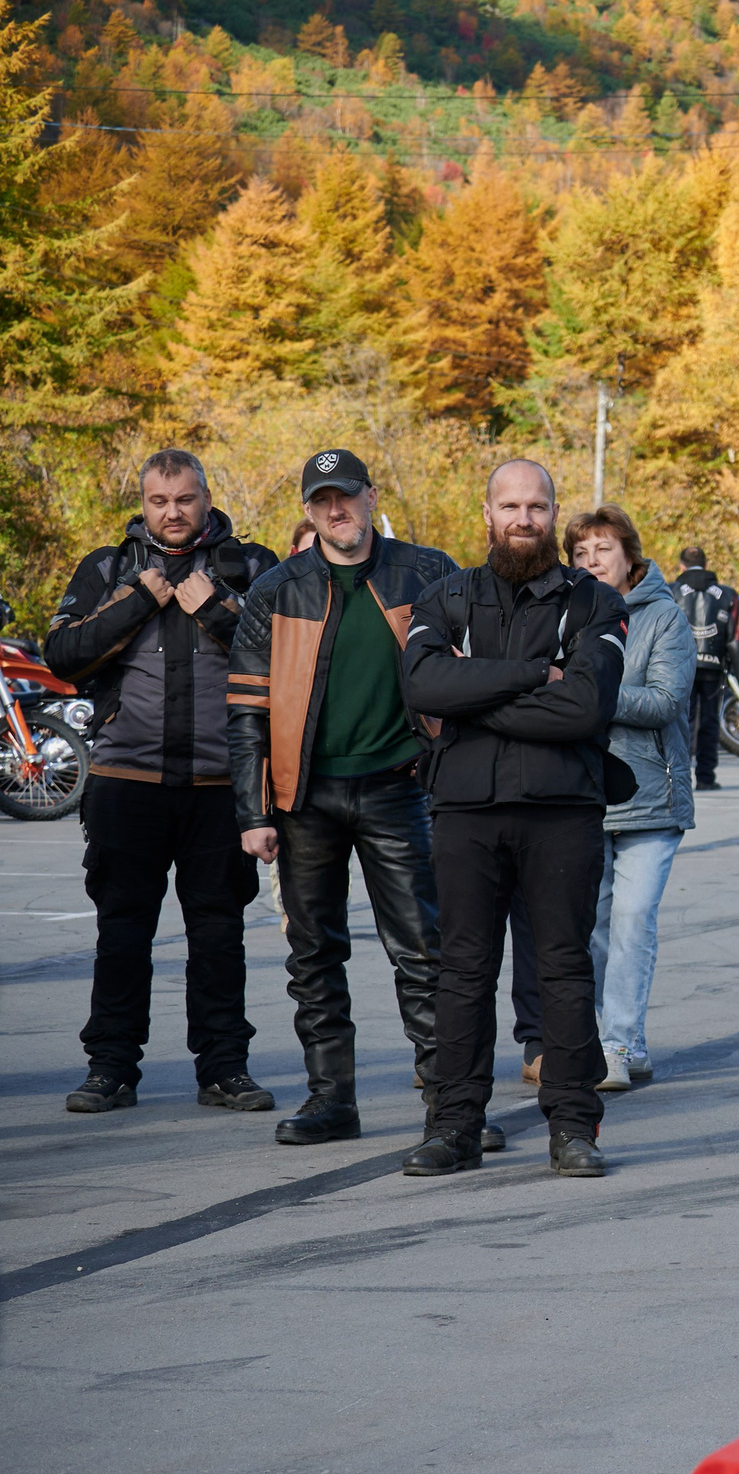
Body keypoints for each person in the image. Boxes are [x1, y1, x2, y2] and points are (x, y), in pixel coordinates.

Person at [399, 459, 629, 1179]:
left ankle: (572, 1127)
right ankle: (454, 1125)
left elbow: (587, 706)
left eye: (536, 506)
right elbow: (423, 682)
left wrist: (473, 696)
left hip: (563, 809)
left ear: (554, 513)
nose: (523, 518)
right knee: (462, 972)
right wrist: (534, 673)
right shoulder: (445, 596)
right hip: (465, 808)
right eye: (510, 505)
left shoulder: (595, 603)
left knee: (563, 969)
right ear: (487, 511)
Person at [227, 449, 458, 1145]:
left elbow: (467, 673)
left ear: (370, 495)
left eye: (348, 496)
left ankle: (451, 1104)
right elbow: (246, 710)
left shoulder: (428, 571)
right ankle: (332, 1100)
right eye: (323, 500)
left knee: (422, 949)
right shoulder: (276, 588)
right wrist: (252, 811)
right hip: (305, 798)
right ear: (307, 510)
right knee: (313, 954)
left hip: (399, 785)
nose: (337, 510)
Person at [45, 449, 279, 1115]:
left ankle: (224, 1068)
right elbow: (62, 655)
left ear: (207, 498)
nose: (171, 512)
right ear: (143, 503)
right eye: (158, 500)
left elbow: (288, 662)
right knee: (122, 931)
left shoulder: (253, 567)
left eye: (184, 498)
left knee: (217, 933)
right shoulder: (108, 568)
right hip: (127, 780)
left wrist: (219, 611)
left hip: (219, 784)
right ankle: (111, 1068)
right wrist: (135, 602)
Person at [568, 505, 693, 1094]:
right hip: (580, 791)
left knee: (633, 922)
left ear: (629, 555)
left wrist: (591, 695)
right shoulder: (563, 614)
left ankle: (618, 1043)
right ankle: (611, 1037)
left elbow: (665, 700)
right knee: (590, 927)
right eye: (581, 553)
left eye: (604, 550)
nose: (593, 562)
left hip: (650, 794)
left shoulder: (664, 617)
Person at [671, 545, 739, 792]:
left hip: (681, 666)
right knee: (709, 721)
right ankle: (706, 777)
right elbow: (735, 638)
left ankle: (680, 776)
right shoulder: (727, 594)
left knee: (681, 722)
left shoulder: (671, 591)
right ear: (706, 565)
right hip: (713, 666)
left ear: (682, 566)